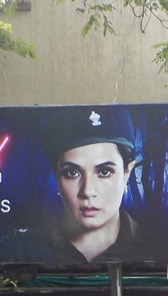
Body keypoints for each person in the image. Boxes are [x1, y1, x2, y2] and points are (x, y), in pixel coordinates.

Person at [45, 107, 141, 263]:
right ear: (57, 178)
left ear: (127, 174)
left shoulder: (163, 249)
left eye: (104, 172)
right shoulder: (22, 251)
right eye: (72, 173)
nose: (88, 191)